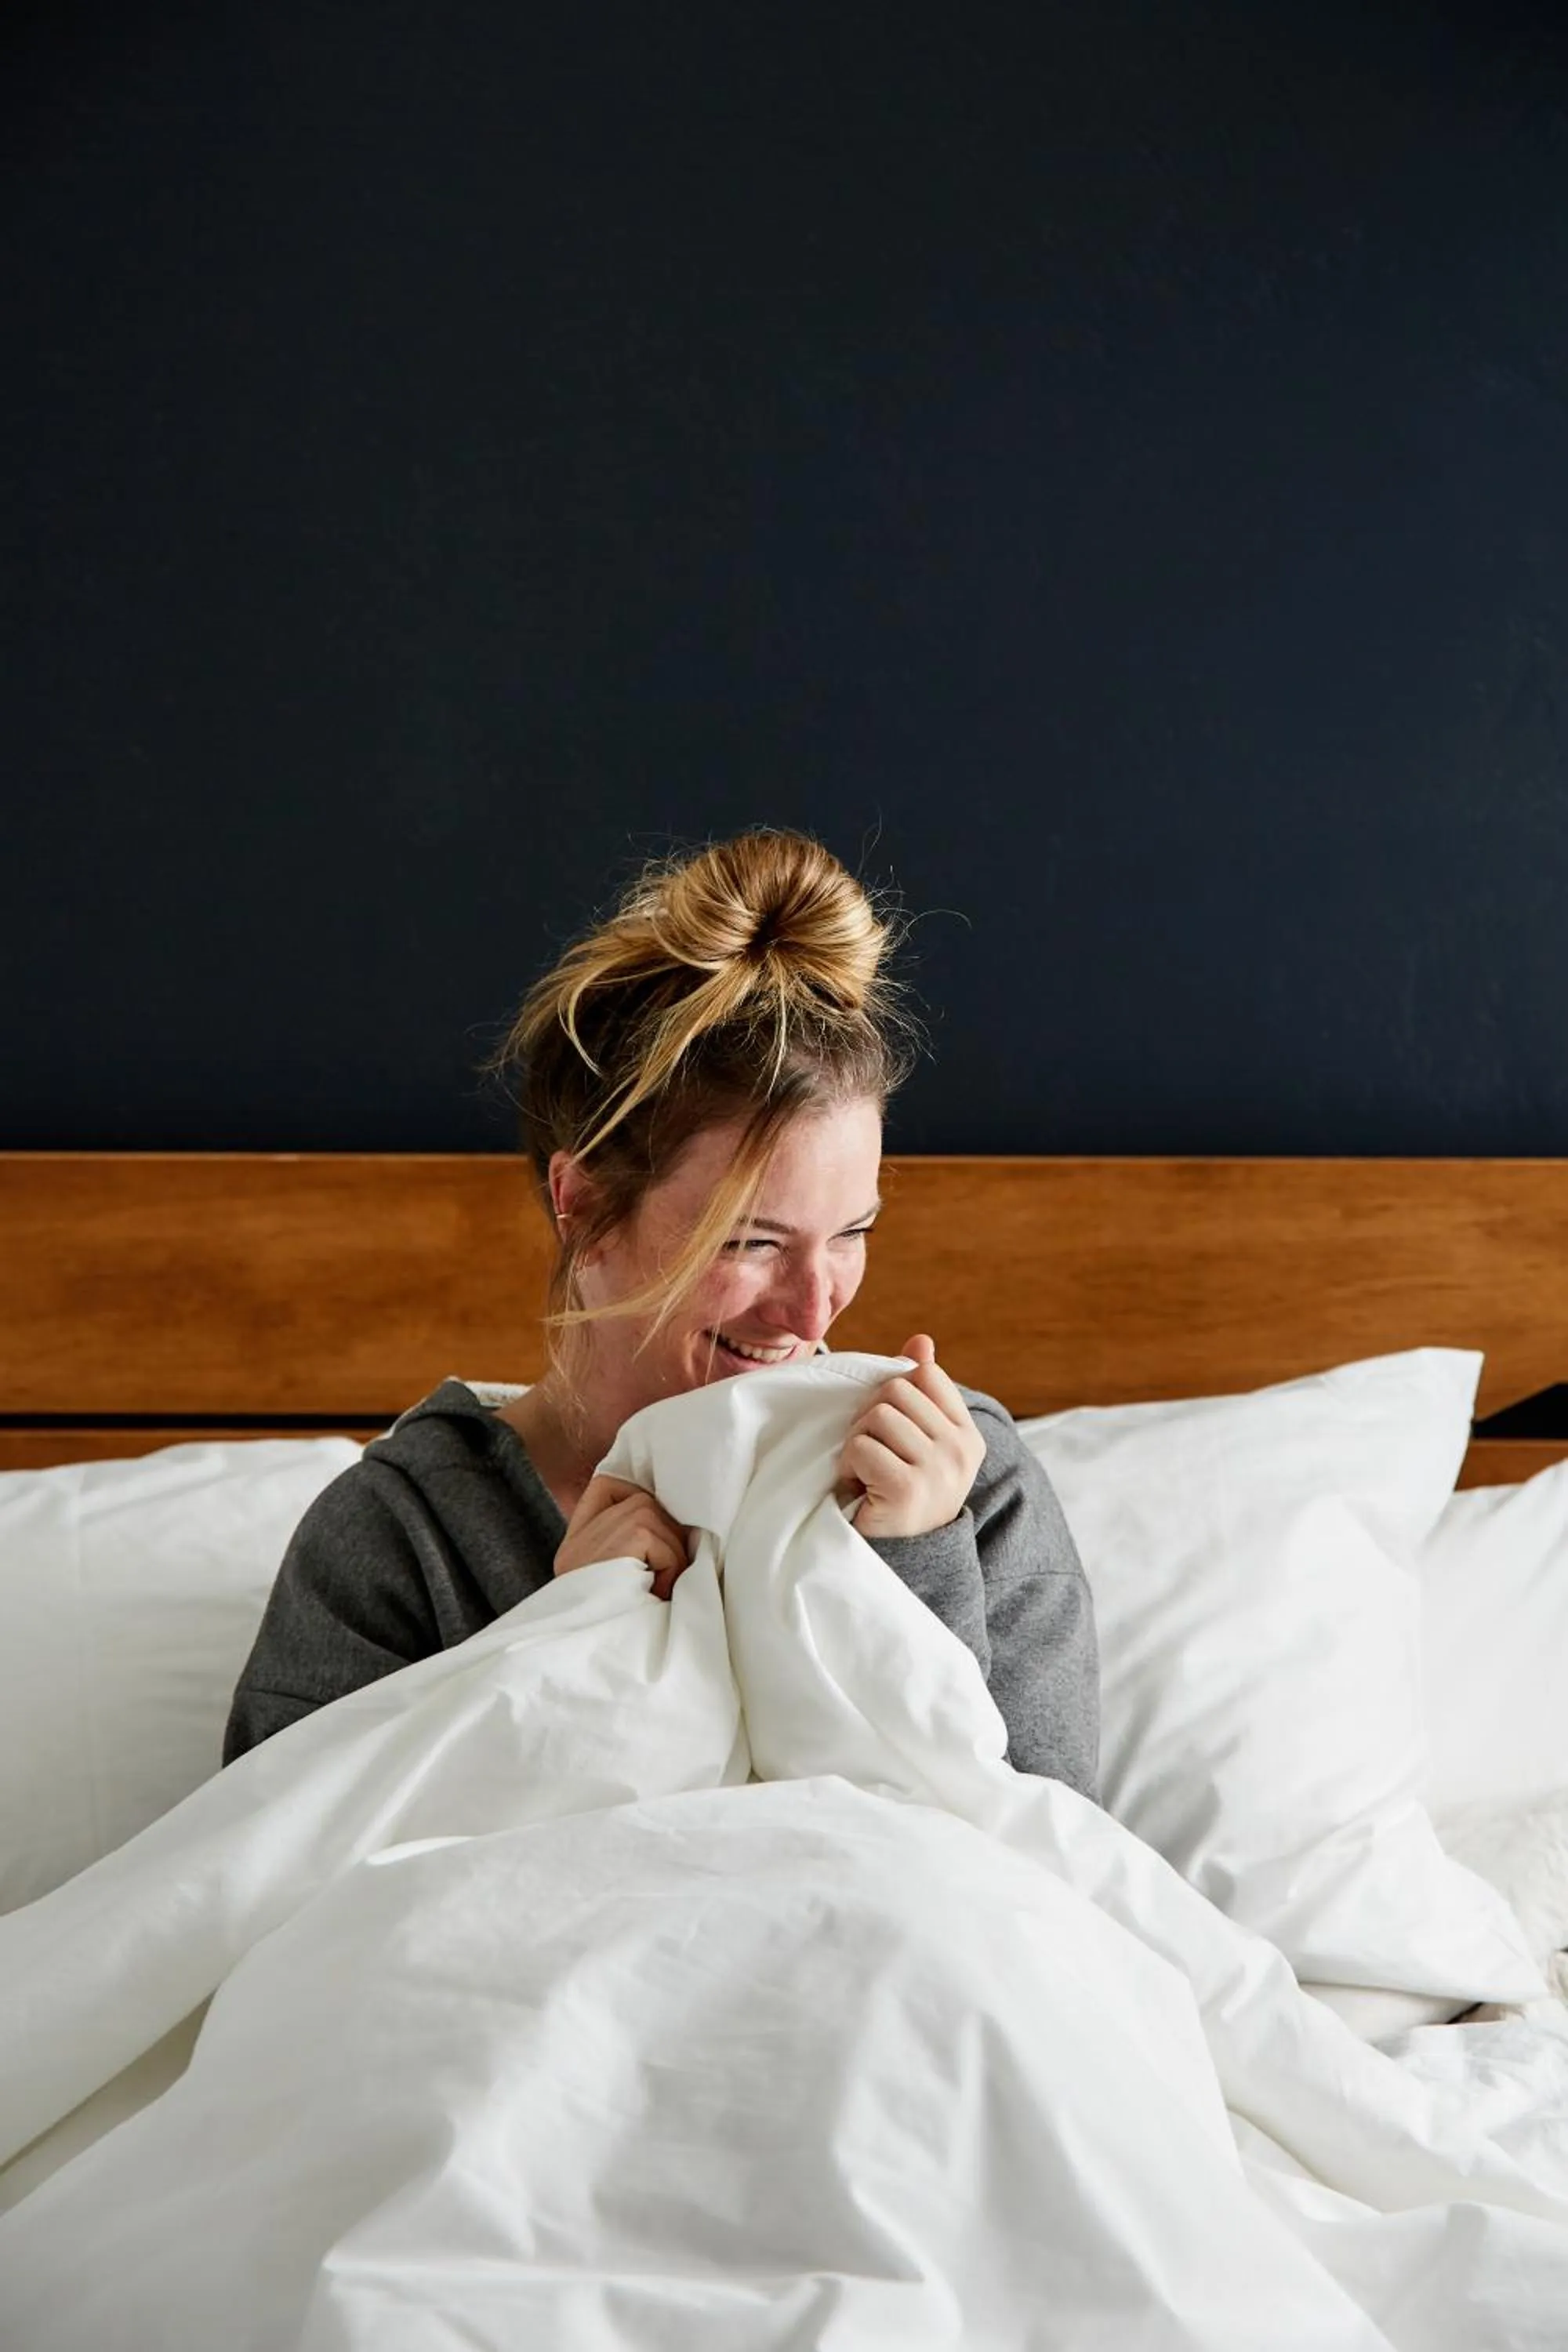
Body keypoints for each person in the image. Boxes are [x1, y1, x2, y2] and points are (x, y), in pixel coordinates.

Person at [223, 829, 1100, 1797]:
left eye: (851, 1232)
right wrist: (565, 1640)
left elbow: (1045, 1862)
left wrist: (911, 1566)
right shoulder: (407, 1535)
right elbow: (278, 1863)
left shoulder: (964, 1482)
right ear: (584, 1207)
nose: (814, 1307)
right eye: (749, 1242)